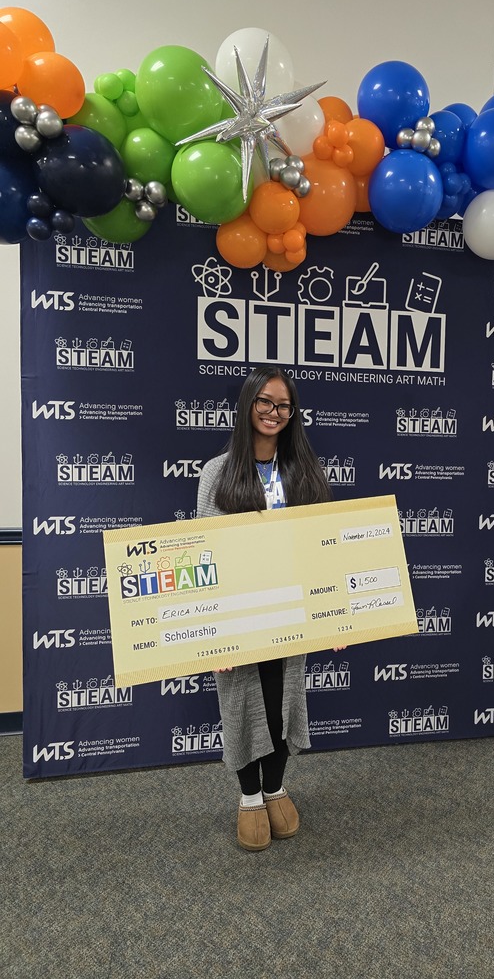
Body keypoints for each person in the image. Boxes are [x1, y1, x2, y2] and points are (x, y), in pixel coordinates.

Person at [196, 365, 341, 852]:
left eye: (282, 405)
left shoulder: (304, 470)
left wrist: (335, 615)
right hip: (236, 615)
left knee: (282, 702)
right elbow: (203, 555)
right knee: (239, 701)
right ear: (247, 404)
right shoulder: (216, 473)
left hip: (292, 612)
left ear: (291, 412)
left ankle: (276, 786)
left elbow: (324, 548)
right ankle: (248, 796)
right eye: (264, 402)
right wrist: (213, 630)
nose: (272, 413)